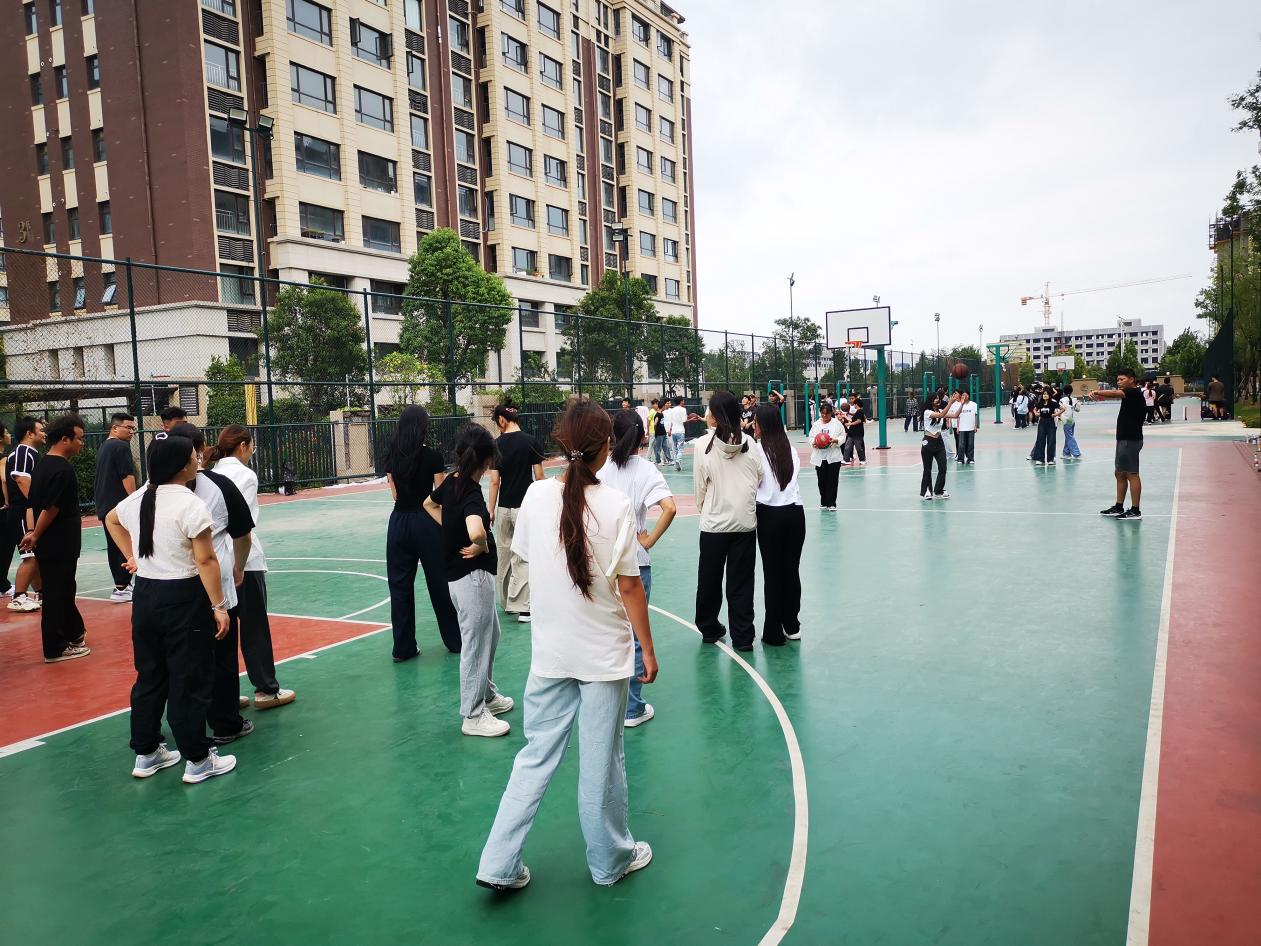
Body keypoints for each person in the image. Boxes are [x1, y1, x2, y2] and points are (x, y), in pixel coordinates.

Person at [476, 399, 657, 891]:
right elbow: (630, 586)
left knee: (534, 758)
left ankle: (497, 864)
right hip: (603, 657)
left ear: (562, 443)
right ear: (607, 447)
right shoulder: (615, 505)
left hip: (551, 655)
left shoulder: (536, 497)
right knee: (601, 764)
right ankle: (609, 861)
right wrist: (647, 648)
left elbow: (529, 558)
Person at [106, 433, 236, 784]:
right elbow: (206, 560)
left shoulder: (139, 498)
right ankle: (198, 759)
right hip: (183, 596)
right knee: (188, 678)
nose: (198, 459)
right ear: (182, 465)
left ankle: (147, 752)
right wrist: (219, 606)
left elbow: (110, 519)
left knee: (150, 675)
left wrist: (132, 556)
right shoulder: (190, 504)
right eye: (194, 455)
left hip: (146, 595)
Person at [169, 423, 257, 746]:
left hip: (170, 586)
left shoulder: (151, 491)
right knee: (221, 656)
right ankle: (225, 723)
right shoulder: (218, 486)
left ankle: (170, 732)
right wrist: (239, 567)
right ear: (197, 451)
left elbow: (115, 518)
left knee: (179, 660)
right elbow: (243, 534)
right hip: (213, 584)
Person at [426, 424, 513, 738]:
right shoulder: (473, 494)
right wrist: (481, 543)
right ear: (487, 461)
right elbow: (476, 531)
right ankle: (473, 715)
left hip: (459, 577)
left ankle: (486, 694)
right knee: (475, 643)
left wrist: (451, 529)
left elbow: (428, 504)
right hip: (472, 578)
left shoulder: (453, 481)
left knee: (492, 634)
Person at [206, 426, 296, 710]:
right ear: (243, 446)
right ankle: (266, 689)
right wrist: (240, 565)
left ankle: (226, 695)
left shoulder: (209, 474)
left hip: (214, 560)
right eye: (252, 445)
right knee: (254, 625)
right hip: (243, 559)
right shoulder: (245, 475)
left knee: (222, 629)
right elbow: (243, 523)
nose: (253, 450)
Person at [597, 409, 676, 727]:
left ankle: (605, 703)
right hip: (634, 562)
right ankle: (631, 708)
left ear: (612, 436)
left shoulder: (600, 467)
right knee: (635, 634)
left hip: (602, 563)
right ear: (643, 436)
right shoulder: (646, 470)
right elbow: (669, 508)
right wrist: (649, 540)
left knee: (605, 632)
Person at [384, 405, 461, 660]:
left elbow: (395, 495)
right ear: (423, 427)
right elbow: (441, 496)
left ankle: (403, 647)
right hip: (426, 521)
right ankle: (455, 640)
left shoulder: (392, 456)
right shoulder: (432, 457)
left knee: (399, 587)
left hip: (398, 523)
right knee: (439, 582)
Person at [693, 391, 762, 651]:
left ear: (715, 415)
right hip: (744, 522)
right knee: (741, 582)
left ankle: (709, 628)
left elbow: (700, 485)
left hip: (714, 523)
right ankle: (743, 637)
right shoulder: (749, 442)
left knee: (709, 579)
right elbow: (759, 476)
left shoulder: (703, 444)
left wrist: (704, 508)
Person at [20, 415, 89, 663]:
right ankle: (55, 648)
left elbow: (32, 506)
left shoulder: (41, 466)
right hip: (60, 543)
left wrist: (32, 532)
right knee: (56, 593)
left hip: (51, 543)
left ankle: (74, 632)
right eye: (79, 438)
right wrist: (35, 534)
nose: (82, 443)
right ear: (64, 439)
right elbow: (51, 508)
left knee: (63, 589)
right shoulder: (63, 470)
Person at [488, 399, 545, 624]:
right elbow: (539, 477)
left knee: (503, 555)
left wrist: (491, 510)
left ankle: (506, 603)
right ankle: (523, 608)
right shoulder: (531, 441)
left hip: (503, 507)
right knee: (522, 556)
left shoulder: (496, 445)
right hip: (525, 507)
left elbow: (494, 481)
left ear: (502, 420)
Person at [753, 404, 805, 645]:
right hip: (795, 515)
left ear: (762, 425)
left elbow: (753, 483)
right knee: (791, 571)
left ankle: (773, 631)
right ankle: (792, 625)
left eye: (755, 422)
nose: (753, 425)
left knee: (773, 574)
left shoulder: (755, 451)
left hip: (769, 515)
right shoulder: (789, 449)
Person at [94, 413, 139, 603]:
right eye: (128, 428)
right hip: (119, 505)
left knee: (114, 546)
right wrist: (135, 500)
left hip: (105, 504)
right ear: (115, 428)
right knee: (124, 544)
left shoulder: (104, 446)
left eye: (133, 428)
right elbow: (127, 476)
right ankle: (122, 587)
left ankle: (121, 586)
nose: (131, 432)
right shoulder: (120, 446)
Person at [1090, 367, 1145, 520]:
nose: (1119, 382)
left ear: (1131, 379)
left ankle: (1135, 510)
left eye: (1122, 379)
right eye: (1118, 380)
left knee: (1132, 474)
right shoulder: (1129, 393)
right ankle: (1118, 506)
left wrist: (1097, 392)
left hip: (1131, 439)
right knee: (1119, 473)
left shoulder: (1133, 392)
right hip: (1123, 438)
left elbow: (1115, 393)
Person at [5, 417, 45, 612]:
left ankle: (41, 592)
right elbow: (21, 479)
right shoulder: (23, 451)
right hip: (22, 512)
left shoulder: (31, 453)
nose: (44, 433)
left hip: (25, 511)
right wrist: (41, 505)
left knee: (34, 554)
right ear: (29, 433)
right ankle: (19, 597)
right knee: (30, 555)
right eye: (41, 430)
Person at [808, 401, 845, 510]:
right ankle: (823, 502)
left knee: (832, 481)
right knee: (821, 481)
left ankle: (832, 503)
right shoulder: (816, 424)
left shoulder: (837, 424)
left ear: (831, 413)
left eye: (827, 413)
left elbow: (843, 436)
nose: (824, 415)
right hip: (820, 457)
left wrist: (836, 440)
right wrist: (813, 443)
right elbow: (811, 437)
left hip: (833, 457)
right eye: (822, 413)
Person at [920, 393, 951, 501]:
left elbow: (955, 415)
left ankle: (938, 490)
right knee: (927, 469)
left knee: (943, 467)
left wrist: (960, 403)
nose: (938, 400)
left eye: (939, 398)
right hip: (928, 442)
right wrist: (950, 403)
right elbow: (941, 415)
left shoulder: (940, 411)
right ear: (931, 401)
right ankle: (926, 491)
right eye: (936, 398)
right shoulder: (927, 412)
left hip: (939, 441)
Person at [1030, 387, 1061, 465]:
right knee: (1040, 440)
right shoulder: (1040, 403)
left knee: (1051, 441)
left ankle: (1050, 459)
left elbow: (1063, 408)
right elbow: (1034, 409)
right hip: (1042, 423)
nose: (1045, 395)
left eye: (1046, 394)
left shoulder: (1053, 403)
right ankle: (1040, 459)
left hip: (1051, 422)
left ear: (1049, 395)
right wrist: (1036, 413)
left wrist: (1056, 414)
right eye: (1044, 394)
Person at [0, 423, 12, 598]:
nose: (9, 435)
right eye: (6, 432)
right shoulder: (3, 458)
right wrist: (8, 501)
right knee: (5, 546)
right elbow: (4, 479)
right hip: (2, 508)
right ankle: (3, 585)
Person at [841, 395, 867, 466]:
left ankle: (862, 460)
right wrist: (846, 415)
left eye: (854, 404)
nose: (853, 405)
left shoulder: (860, 411)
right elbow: (853, 418)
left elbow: (859, 421)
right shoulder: (858, 412)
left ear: (856, 404)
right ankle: (846, 460)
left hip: (857, 433)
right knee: (847, 446)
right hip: (852, 433)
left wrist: (850, 424)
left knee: (859, 448)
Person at [955, 390, 979, 464]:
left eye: (965, 395)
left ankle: (970, 459)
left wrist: (975, 426)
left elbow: (975, 416)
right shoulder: (959, 405)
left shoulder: (974, 404)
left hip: (971, 427)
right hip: (962, 428)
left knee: (971, 444)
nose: (963, 396)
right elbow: (958, 417)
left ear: (968, 396)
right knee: (961, 444)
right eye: (962, 395)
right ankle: (960, 459)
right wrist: (958, 427)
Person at [1059, 386, 1082, 460]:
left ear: (1064, 392)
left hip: (1066, 421)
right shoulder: (1074, 399)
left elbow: (1059, 409)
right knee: (1069, 436)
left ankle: (1076, 453)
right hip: (1071, 420)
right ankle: (1066, 453)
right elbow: (1077, 410)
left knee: (1069, 437)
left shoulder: (1062, 400)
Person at [666, 396, 688, 471]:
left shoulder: (672, 410)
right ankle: (678, 460)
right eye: (683, 400)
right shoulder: (683, 409)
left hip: (673, 431)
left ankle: (676, 465)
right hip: (680, 431)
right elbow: (684, 420)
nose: (684, 402)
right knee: (680, 448)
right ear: (681, 401)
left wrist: (670, 430)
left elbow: (671, 421)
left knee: (674, 449)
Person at [649, 399, 670, 465]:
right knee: (658, 448)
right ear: (663, 406)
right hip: (659, 433)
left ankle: (668, 460)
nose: (665, 407)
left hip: (663, 433)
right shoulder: (658, 414)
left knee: (665, 447)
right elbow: (655, 423)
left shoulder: (661, 414)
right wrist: (656, 430)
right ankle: (659, 461)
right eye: (664, 406)